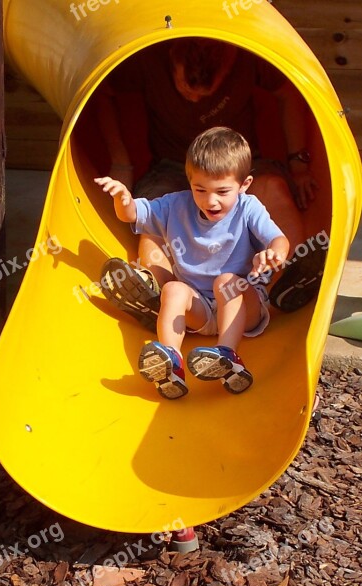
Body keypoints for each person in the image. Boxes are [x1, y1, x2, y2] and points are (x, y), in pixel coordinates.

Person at [96, 38, 321, 326]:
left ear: (227, 66)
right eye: (184, 86)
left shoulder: (245, 52)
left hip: (236, 167)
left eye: (206, 91)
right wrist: (120, 161)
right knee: (158, 210)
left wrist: (299, 164)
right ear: (172, 57)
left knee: (274, 187)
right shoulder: (150, 54)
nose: (194, 97)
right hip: (173, 166)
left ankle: (284, 281)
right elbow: (102, 91)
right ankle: (157, 291)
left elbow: (288, 93)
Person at [95, 127, 289, 398]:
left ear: (244, 185)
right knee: (173, 290)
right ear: (190, 182)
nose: (211, 200)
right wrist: (122, 198)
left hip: (243, 306)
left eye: (222, 191)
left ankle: (228, 356)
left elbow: (279, 240)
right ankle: (171, 362)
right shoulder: (176, 205)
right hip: (201, 309)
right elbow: (131, 215)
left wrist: (273, 254)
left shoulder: (249, 207)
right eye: (200, 189)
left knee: (226, 282)